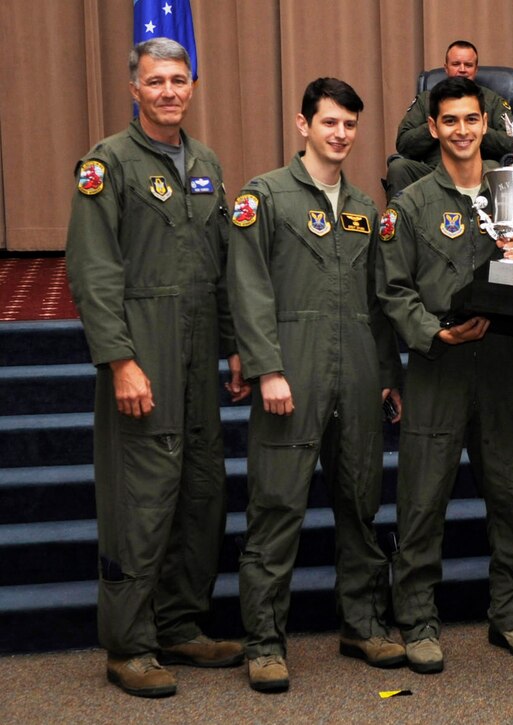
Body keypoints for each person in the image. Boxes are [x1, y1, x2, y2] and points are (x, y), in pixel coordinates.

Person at [65, 37, 248, 699]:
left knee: (200, 493)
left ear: (192, 85)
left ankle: (178, 624)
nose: (169, 91)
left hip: (199, 356)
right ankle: (130, 645)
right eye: (156, 80)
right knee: (140, 500)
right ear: (134, 89)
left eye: (178, 79)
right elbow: (92, 269)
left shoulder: (206, 162)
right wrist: (120, 360)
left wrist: (234, 344)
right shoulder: (107, 163)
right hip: (144, 349)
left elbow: (222, 263)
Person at [227, 78, 405, 693]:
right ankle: (264, 642)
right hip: (292, 371)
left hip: (356, 372)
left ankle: (363, 625)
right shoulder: (264, 196)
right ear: (303, 124)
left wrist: (386, 374)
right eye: (329, 122)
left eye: (350, 124)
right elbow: (247, 286)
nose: (340, 134)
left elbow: (378, 303)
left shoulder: (364, 208)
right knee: (277, 507)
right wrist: (266, 368)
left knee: (360, 502)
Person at [375, 76, 513, 674]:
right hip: (438, 366)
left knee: (511, 493)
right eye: (450, 120)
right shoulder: (411, 205)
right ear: (433, 128)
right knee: (422, 500)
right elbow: (393, 292)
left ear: (485, 123)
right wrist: (433, 332)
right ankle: (419, 621)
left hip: (499, 365)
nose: (463, 130)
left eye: (472, 119)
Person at [385, 40, 513, 199]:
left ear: (476, 69)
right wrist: (439, 125)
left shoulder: (493, 101)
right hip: (431, 171)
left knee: (493, 168)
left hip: (477, 172)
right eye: (456, 64)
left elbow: (511, 143)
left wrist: (475, 127)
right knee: (398, 167)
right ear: (446, 68)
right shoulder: (426, 100)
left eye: (468, 65)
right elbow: (403, 143)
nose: (462, 69)